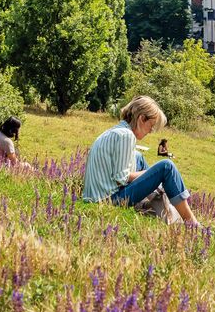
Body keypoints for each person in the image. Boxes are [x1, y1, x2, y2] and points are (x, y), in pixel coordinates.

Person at [82, 96, 199, 226]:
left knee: (138, 157)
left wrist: (151, 175)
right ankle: (192, 223)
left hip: (95, 198)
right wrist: (153, 174)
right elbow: (122, 178)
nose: (150, 131)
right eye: (151, 126)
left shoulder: (115, 131)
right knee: (166, 167)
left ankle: (163, 207)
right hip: (107, 201)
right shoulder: (126, 136)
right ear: (142, 118)